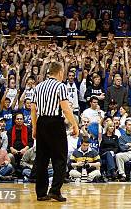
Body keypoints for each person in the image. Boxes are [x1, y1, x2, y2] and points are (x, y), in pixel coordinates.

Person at [31, 61, 79, 202]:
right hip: (55, 123)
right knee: (60, 158)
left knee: (41, 159)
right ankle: (55, 190)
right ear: (59, 72)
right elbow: (65, 108)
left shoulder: (38, 87)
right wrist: (74, 124)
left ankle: (40, 193)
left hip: (41, 122)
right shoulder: (60, 86)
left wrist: (34, 128)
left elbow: (33, 109)